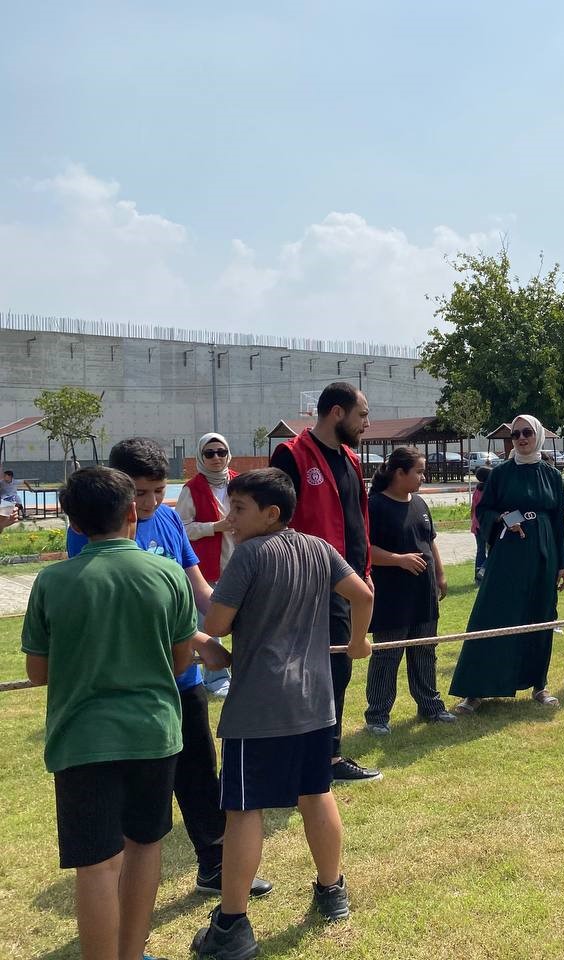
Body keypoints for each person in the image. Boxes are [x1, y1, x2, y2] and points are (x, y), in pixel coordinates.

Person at [65, 438, 271, 900]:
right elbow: (109, 608)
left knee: (200, 773)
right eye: (140, 493)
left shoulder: (168, 519)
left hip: (183, 678)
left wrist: (225, 621)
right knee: (135, 800)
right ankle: (118, 886)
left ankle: (215, 866)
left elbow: (193, 580)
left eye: (158, 491)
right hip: (131, 686)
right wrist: (196, 639)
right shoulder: (91, 530)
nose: (150, 503)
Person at [191, 468, 374, 958]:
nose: (230, 519)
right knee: (316, 793)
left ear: (271, 513)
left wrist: (202, 639)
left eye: (240, 509)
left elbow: (217, 624)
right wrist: (358, 642)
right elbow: (364, 595)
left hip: (260, 706)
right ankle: (331, 890)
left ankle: (231, 925)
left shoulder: (250, 555)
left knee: (244, 810)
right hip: (315, 701)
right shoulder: (319, 548)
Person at [23, 467, 201, 960]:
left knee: (97, 864)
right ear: (130, 512)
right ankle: (132, 952)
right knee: (145, 848)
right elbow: (182, 660)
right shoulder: (167, 575)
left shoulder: (52, 581)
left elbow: (38, 673)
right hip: (154, 733)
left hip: (81, 739)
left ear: (72, 523)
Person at [270, 381, 380, 784]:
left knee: (339, 670)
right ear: (337, 413)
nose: (367, 423)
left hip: (350, 582)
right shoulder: (290, 455)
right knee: (313, 672)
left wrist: (365, 569)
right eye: (362, 414)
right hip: (310, 584)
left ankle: (328, 757)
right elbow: (274, 523)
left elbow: (356, 521)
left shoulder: (350, 459)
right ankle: (313, 759)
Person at [449, 414, 564, 712]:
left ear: (538, 435)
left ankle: (538, 685)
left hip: (543, 554)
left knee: (540, 616)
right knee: (492, 616)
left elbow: (558, 522)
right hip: (508, 553)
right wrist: (504, 518)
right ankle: (474, 689)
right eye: (515, 434)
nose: (521, 438)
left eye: (527, 432)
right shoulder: (501, 474)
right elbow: (485, 510)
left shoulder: (551, 475)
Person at [363, 447, 454, 735]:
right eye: (418, 471)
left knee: (425, 651)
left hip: (423, 595)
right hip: (392, 597)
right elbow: (364, 551)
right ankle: (377, 716)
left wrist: (439, 574)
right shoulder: (375, 506)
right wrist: (397, 560)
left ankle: (431, 707)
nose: (423, 477)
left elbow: (431, 541)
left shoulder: (419, 504)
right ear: (399, 473)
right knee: (387, 655)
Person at [176, 432, 237, 698]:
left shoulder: (239, 482)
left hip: (239, 562)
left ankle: (241, 672)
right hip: (206, 567)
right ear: (201, 456)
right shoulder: (192, 488)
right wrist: (215, 527)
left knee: (242, 622)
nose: (216, 458)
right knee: (209, 623)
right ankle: (216, 679)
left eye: (221, 452)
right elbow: (182, 528)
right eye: (209, 453)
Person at [472, 465, 492, 582]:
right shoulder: (489, 491)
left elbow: (473, 508)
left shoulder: (477, 490)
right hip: (486, 525)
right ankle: (483, 570)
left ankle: (478, 577)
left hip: (476, 524)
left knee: (480, 550)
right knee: (493, 550)